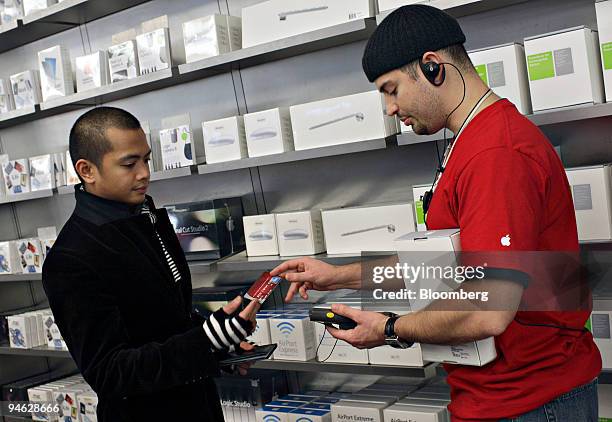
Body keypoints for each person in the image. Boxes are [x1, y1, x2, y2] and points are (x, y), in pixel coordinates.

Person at [271, 5, 601, 422]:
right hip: (496, 395)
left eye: (391, 90)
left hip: (531, 400)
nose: (389, 109)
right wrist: (336, 277)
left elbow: (489, 309)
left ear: (433, 68)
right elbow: (445, 264)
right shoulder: (470, 141)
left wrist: (389, 329)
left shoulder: (496, 154)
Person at [42, 107, 260, 422]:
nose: (144, 173)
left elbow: (169, 320)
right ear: (87, 170)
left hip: (198, 406)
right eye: (129, 164)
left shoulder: (146, 217)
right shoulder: (71, 258)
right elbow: (109, 372)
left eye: (146, 160)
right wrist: (206, 340)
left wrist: (221, 345)